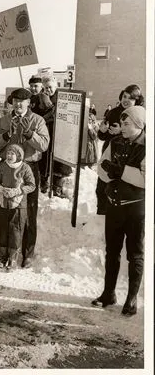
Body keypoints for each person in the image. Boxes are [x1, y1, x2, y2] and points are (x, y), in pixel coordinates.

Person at [91, 105, 146, 317]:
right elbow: (101, 165)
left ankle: (132, 298)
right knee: (111, 251)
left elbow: (145, 179)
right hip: (114, 205)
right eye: (121, 123)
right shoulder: (114, 142)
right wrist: (109, 173)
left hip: (136, 209)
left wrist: (120, 171)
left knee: (135, 254)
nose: (122, 127)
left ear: (139, 125)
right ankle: (108, 293)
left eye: (126, 124)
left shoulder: (147, 145)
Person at [0, 88, 49, 268]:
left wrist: (30, 134)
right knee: (7, 210)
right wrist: (7, 135)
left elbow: (44, 145)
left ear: (29, 103)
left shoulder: (37, 120)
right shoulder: (4, 120)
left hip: (28, 168)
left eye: (22, 101)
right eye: (15, 100)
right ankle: (7, 251)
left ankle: (27, 252)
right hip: (7, 168)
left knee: (28, 211)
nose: (18, 104)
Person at [95, 84, 144, 215]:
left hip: (129, 157)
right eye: (124, 96)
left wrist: (119, 132)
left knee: (123, 188)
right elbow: (103, 136)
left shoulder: (140, 114)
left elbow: (141, 135)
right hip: (110, 153)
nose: (126, 100)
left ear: (137, 101)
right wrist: (102, 131)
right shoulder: (113, 112)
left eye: (131, 98)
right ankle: (101, 214)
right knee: (102, 187)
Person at [0, 144, 35, 270]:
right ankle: (2, 255)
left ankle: (13, 257)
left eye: (12, 153)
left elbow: (32, 185)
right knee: (3, 228)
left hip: (18, 205)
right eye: (8, 153)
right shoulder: (3, 166)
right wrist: (1, 188)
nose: (9, 156)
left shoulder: (25, 167)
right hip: (3, 203)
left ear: (19, 155)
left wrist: (17, 191)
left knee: (15, 230)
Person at [41, 76, 73, 197]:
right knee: (45, 158)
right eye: (46, 88)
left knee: (59, 160)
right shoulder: (42, 97)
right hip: (46, 131)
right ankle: (44, 183)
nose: (48, 90)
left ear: (55, 86)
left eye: (50, 87)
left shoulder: (62, 96)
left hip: (60, 132)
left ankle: (57, 187)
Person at [29, 75, 54, 193]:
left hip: (43, 131)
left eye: (36, 86)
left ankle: (44, 181)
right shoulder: (32, 97)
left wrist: (40, 121)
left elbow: (52, 113)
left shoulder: (43, 97)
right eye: (31, 86)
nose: (33, 88)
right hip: (34, 132)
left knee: (44, 156)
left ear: (41, 87)